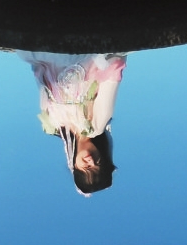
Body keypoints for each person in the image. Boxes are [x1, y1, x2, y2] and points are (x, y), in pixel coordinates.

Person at [19, 51, 125, 195]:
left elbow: (40, 76)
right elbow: (113, 70)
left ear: (74, 165)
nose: (91, 161)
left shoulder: (52, 125)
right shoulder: (96, 125)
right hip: (85, 53)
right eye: (98, 163)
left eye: (86, 168)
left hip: (48, 54)